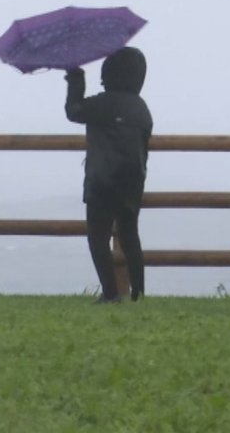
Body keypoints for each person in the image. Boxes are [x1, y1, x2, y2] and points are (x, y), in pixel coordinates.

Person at [63, 47, 153, 303]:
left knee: (98, 237)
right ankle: (138, 291)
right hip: (133, 179)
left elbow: (74, 111)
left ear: (109, 74)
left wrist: (75, 78)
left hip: (102, 179)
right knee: (129, 233)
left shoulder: (103, 104)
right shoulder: (141, 109)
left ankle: (111, 293)